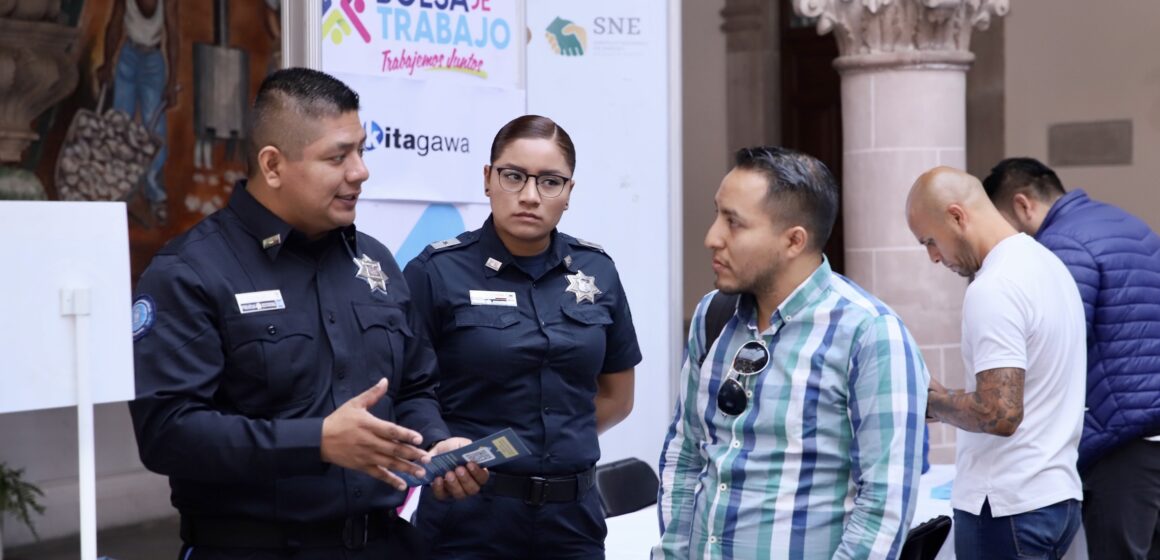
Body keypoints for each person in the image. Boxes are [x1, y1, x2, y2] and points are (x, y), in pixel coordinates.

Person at [129, 67, 487, 560]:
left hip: (387, 544)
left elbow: (416, 388)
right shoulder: (190, 272)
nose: (360, 171)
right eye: (338, 157)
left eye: (362, 150)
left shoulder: (376, 261)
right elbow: (167, 433)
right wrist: (316, 440)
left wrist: (435, 444)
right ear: (273, 165)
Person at [655, 146, 929, 560]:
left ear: (793, 241)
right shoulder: (713, 315)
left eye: (734, 223)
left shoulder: (869, 334)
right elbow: (686, 451)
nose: (712, 237)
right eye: (717, 215)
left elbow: (884, 506)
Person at [404, 114, 641, 559]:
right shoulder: (436, 272)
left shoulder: (597, 271)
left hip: (573, 520)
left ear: (569, 192)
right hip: (470, 517)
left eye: (551, 182)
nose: (530, 196)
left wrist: (553, 443)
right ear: (487, 179)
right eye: (513, 176)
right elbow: (404, 388)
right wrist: (439, 444)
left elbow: (617, 396)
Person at [982, 157, 1160, 560]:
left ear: (1023, 204)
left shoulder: (1059, 244)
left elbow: (1053, 342)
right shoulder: (1127, 224)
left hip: (1121, 443)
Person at [906, 166, 1086, 560]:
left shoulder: (995, 286)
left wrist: (930, 400)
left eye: (930, 241)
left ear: (957, 216)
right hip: (1055, 498)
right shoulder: (1048, 265)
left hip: (1008, 506)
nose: (934, 257)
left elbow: (999, 412)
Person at [97, 0, 179, 226]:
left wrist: (172, 82)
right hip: (128, 56)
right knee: (120, 124)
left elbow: (173, 35)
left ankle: (155, 193)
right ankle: (120, 190)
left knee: (154, 129)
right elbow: (114, 25)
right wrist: (106, 63)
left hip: (153, 61)